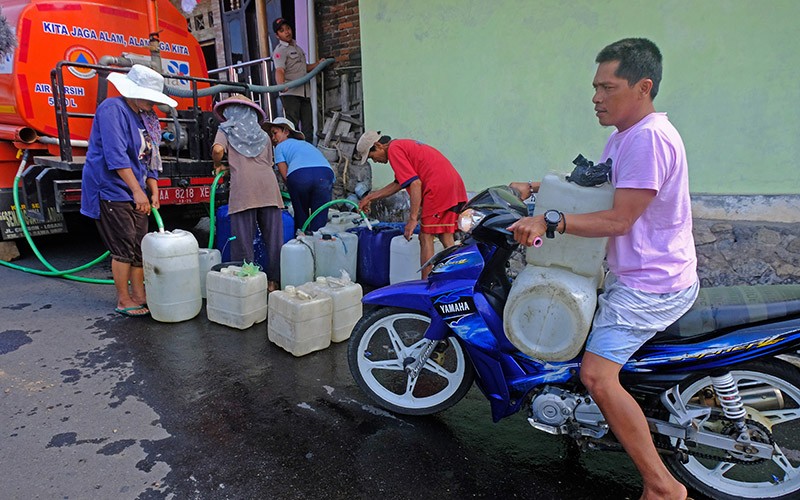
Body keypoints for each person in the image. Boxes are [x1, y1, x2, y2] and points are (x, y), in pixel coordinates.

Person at [508, 38, 698, 500]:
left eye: (607, 87)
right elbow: (603, 186)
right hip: (637, 272)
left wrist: (551, 219)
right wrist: (544, 187)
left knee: (596, 375)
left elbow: (618, 219)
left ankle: (662, 487)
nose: (596, 97)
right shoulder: (625, 135)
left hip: (650, 284)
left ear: (642, 86)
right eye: (594, 87)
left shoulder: (649, 139)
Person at [80, 64, 178, 317]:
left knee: (138, 246)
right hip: (111, 187)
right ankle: (124, 299)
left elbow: (149, 158)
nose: (153, 103)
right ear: (133, 92)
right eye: (149, 97)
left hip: (135, 187)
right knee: (123, 247)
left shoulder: (146, 117)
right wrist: (137, 191)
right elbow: (115, 155)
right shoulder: (113, 109)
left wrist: (153, 190)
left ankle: (139, 294)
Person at [355, 133, 467, 279]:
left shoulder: (394, 150)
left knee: (425, 236)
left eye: (372, 156)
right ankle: (460, 277)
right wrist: (370, 197)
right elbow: (399, 184)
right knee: (445, 235)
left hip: (438, 187)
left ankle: (425, 286)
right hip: (452, 184)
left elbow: (415, 183)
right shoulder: (401, 146)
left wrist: (413, 219)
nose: (374, 161)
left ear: (378, 146)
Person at [211, 94, 284, 292]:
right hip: (269, 188)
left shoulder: (226, 129)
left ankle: (248, 286)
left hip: (244, 189)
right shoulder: (262, 135)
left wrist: (218, 164)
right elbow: (268, 163)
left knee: (243, 240)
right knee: (274, 240)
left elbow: (218, 150)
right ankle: (273, 282)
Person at [266, 117, 334, 234]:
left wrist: (295, 192)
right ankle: (318, 243)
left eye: (275, 133)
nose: (273, 138)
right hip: (325, 174)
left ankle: (302, 240)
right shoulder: (305, 144)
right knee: (319, 215)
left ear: (286, 132)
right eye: (271, 135)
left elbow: (285, 175)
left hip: (300, 176)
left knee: (301, 214)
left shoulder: (279, 147)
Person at [272, 17, 323, 143]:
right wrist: (281, 85)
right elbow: (279, 70)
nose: (287, 32)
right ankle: (294, 152)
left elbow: (303, 68)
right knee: (292, 126)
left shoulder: (296, 48)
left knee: (308, 126)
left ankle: (309, 152)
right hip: (291, 94)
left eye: (288, 28)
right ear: (277, 35)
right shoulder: (280, 51)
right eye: (282, 30)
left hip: (304, 93)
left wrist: (318, 64)